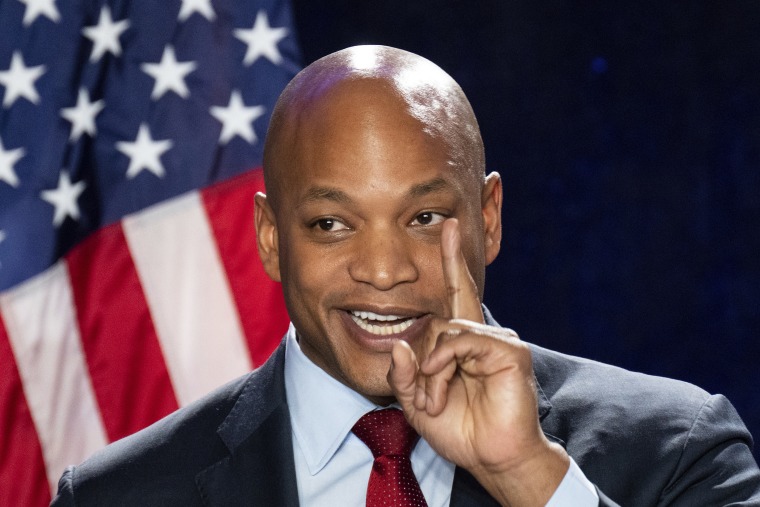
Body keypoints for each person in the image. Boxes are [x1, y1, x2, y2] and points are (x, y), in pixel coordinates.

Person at [52, 45, 760, 506]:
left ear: (489, 216)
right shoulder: (119, 496)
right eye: (332, 223)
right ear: (271, 239)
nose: (385, 271)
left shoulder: (680, 451)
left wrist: (530, 477)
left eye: (424, 217)